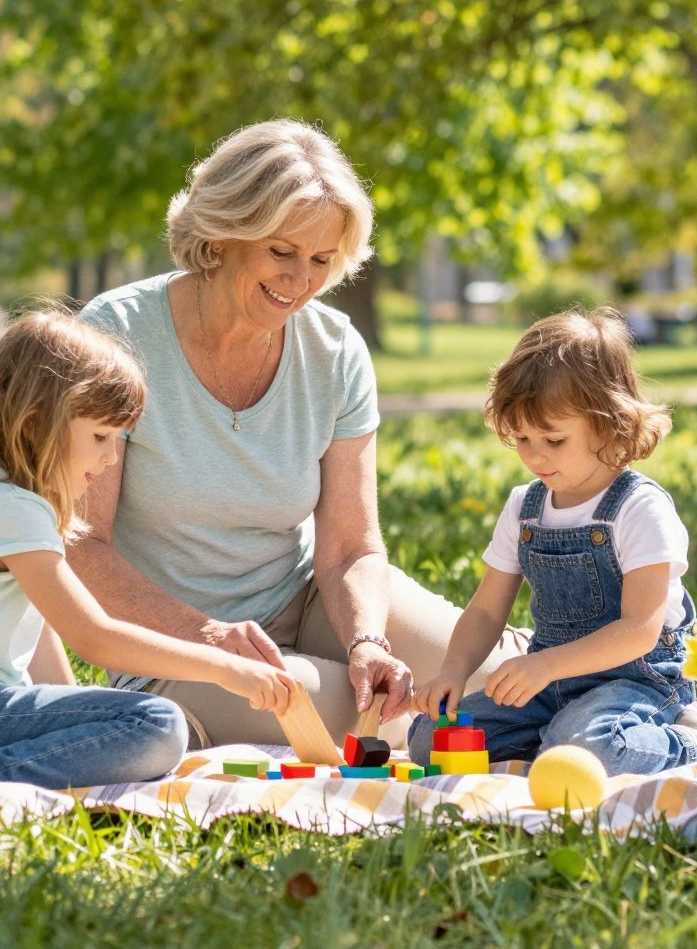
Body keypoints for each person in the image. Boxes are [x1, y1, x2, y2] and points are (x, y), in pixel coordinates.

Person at [72, 119, 523, 747]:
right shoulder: (116, 335)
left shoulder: (334, 351)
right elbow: (82, 544)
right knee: (367, 716)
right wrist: (208, 637)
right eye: (281, 252)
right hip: (173, 651)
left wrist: (368, 640)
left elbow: (351, 548)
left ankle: (586, 672)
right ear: (224, 232)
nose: (300, 281)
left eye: (320, 260)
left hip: (309, 600)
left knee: (493, 681)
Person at [0, 308, 297, 789]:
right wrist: (223, 667)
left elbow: (40, 629)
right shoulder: (8, 508)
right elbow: (93, 636)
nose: (111, 458)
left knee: (141, 724)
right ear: (33, 426)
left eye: (118, 438)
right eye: (100, 436)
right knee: (158, 723)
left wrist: (76, 712)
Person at [411, 308, 697, 775]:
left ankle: (691, 743)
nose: (533, 456)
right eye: (522, 438)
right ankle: (557, 744)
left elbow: (640, 630)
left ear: (608, 423)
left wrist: (545, 667)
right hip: (551, 687)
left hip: (638, 682)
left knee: (588, 748)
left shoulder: (639, 508)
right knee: (431, 741)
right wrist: (453, 671)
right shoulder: (525, 507)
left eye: (553, 439)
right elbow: (487, 611)